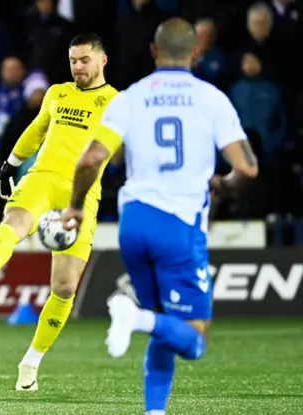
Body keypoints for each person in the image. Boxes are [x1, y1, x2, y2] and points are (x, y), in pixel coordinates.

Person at [61, 18, 258, 414]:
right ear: (196, 52)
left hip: (134, 223)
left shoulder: (130, 97)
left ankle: (155, 411)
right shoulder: (211, 98)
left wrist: (77, 206)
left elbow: (92, 159)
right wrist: (225, 183)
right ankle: (136, 319)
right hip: (179, 225)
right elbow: (248, 167)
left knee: (163, 322)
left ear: (153, 52)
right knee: (194, 339)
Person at [0, 33, 120, 391]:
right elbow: (36, 131)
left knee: (64, 288)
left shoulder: (115, 102)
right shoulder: (57, 93)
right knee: (13, 222)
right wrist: (10, 164)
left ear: (102, 60)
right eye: (73, 60)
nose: (78, 66)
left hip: (82, 194)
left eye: (84, 60)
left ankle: (30, 363)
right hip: (43, 177)